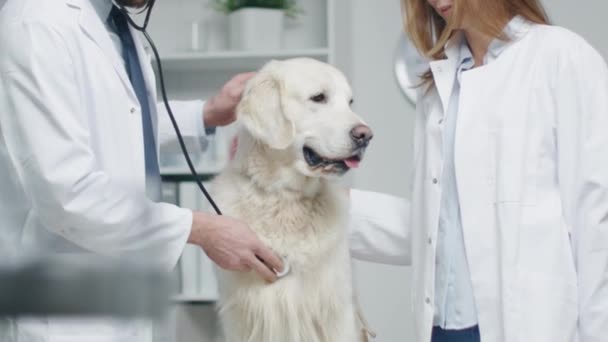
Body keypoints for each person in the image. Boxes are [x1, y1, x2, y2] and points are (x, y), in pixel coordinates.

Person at [0, 0, 282, 341]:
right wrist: (202, 229)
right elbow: (67, 195)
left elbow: (117, 122)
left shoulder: (114, 22)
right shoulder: (37, 22)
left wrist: (206, 113)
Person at [348, 0, 608, 341]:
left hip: (530, 325)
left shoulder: (560, 55)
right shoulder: (438, 86)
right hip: (441, 329)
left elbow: (595, 223)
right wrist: (320, 208)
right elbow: (436, 227)